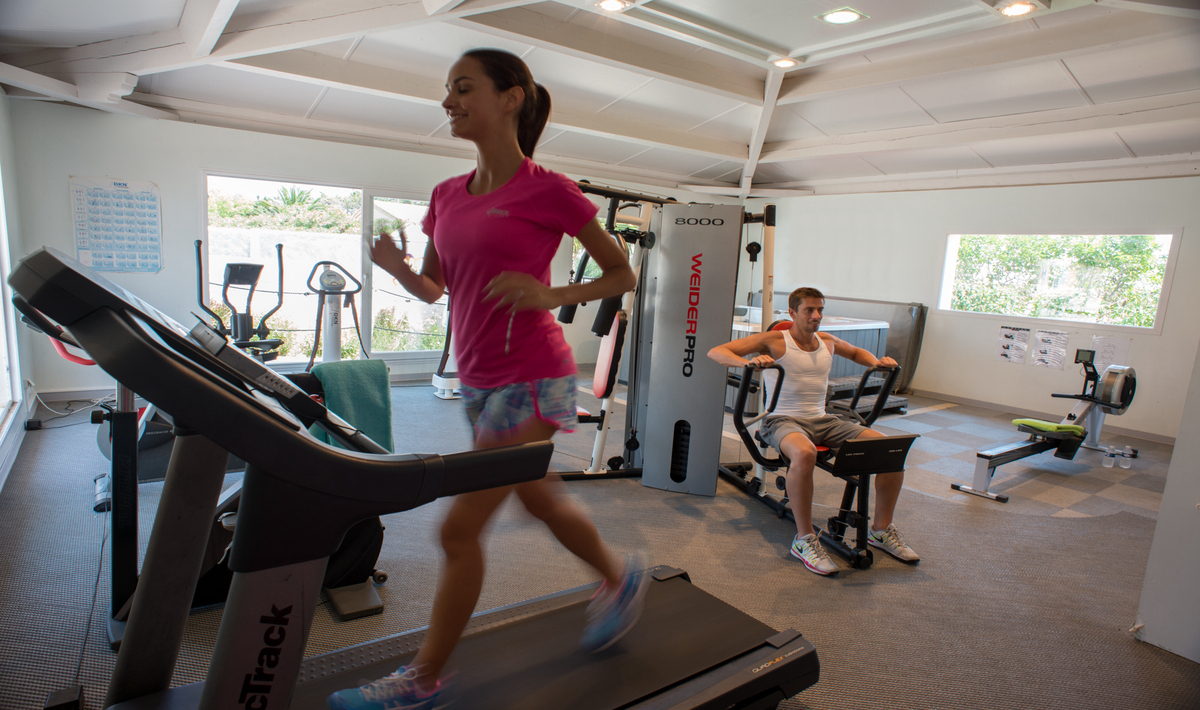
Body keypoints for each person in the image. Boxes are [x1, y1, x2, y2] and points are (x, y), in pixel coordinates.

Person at [327, 49, 645, 710]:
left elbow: (623, 274)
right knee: (539, 499)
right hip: (478, 380)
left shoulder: (549, 190)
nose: (448, 100)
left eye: (463, 87)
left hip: (533, 376)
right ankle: (619, 580)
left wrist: (551, 294)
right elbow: (433, 286)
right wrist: (394, 268)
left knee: (457, 530)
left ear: (511, 97)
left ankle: (422, 681)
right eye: (447, 89)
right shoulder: (446, 195)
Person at [707, 287, 918, 576]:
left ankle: (880, 530)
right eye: (809, 310)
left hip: (823, 419)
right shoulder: (773, 340)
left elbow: (856, 352)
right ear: (792, 312)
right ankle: (804, 539)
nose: (816, 315)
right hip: (781, 420)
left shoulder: (827, 341)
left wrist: (876, 362)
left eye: (820, 310)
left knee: (889, 449)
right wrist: (749, 363)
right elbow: (717, 351)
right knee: (805, 452)